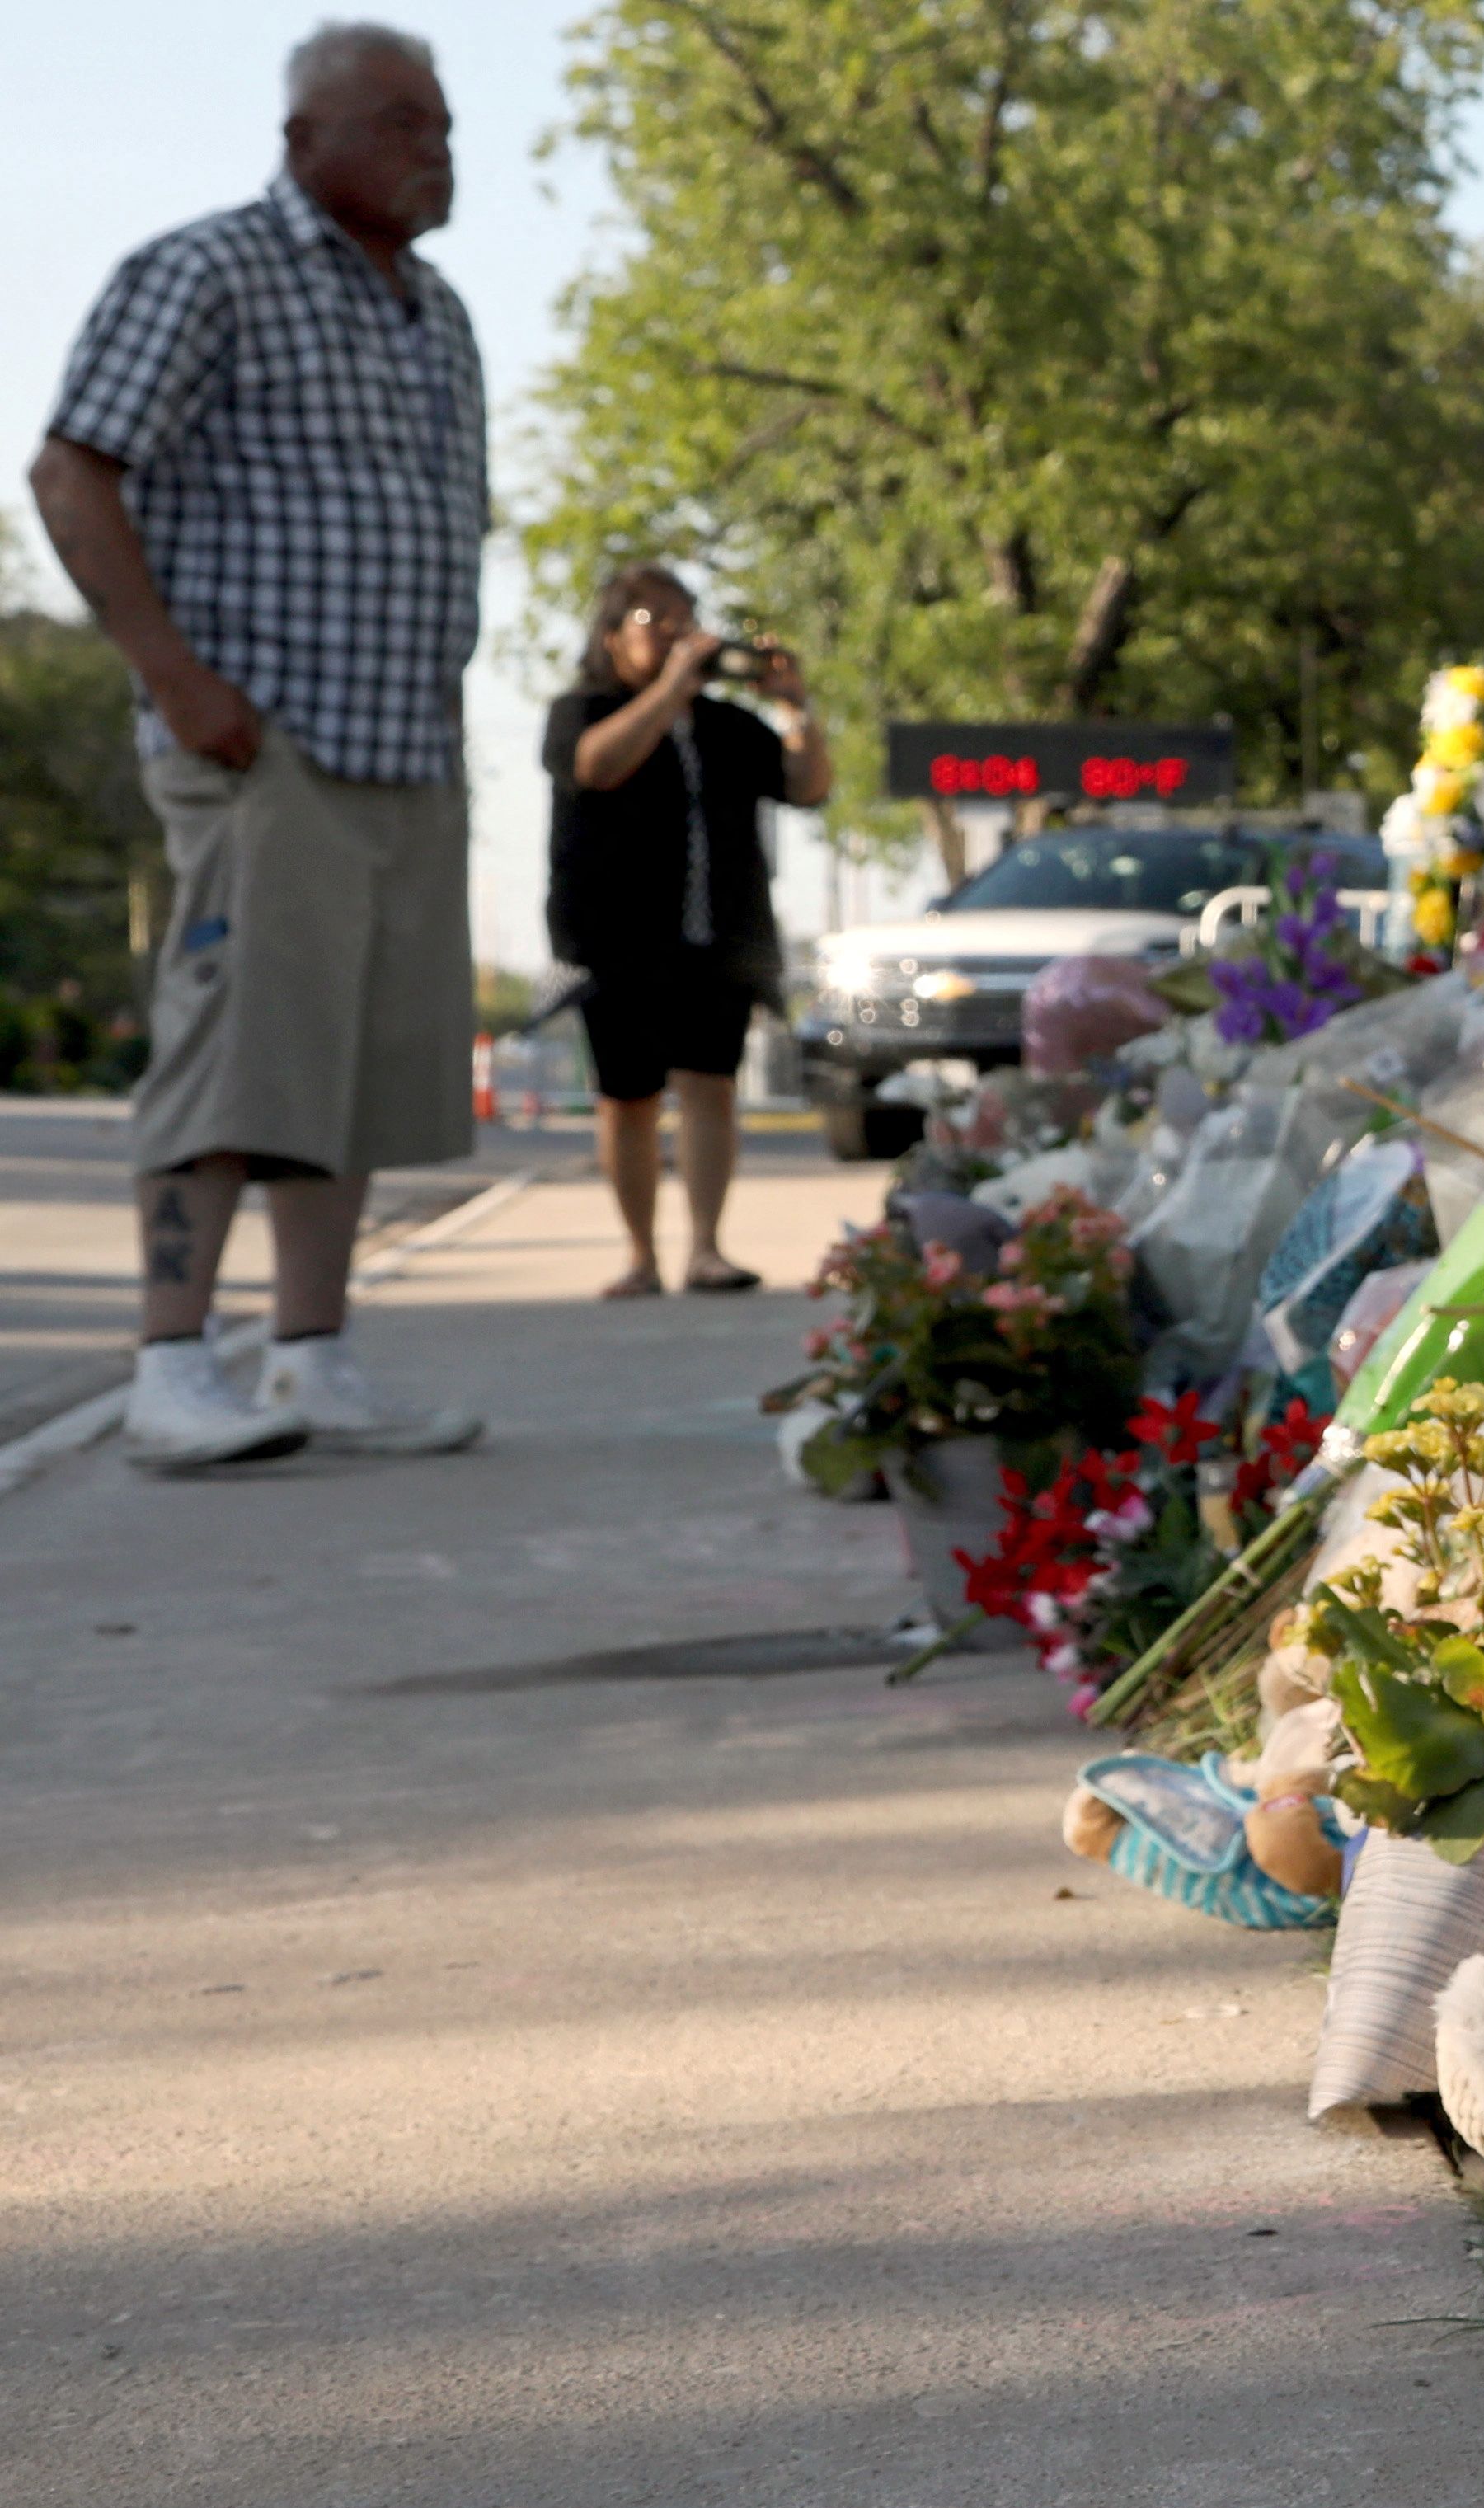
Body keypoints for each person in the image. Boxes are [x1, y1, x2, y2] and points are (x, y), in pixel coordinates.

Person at [28, 23, 489, 1468]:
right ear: (308, 141)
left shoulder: (438, 310)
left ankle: (313, 1356)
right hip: (259, 736)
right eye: (404, 122)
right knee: (231, 1048)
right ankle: (173, 1362)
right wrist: (171, 675)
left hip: (402, 739)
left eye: (445, 124)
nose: (437, 149)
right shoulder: (208, 269)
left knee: (345, 1063)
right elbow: (70, 464)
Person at [544, 567, 825, 1296]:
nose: (676, 632)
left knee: (711, 1087)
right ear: (612, 637)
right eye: (653, 618)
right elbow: (594, 767)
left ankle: (706, 1248)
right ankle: (640, 1255)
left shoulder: (730, 727)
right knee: (629, 1096)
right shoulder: (584, 710)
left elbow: (808, 787)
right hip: (618, 941)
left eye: (686, 618)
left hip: (720, 939)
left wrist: (796, 709)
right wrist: (667, 692)